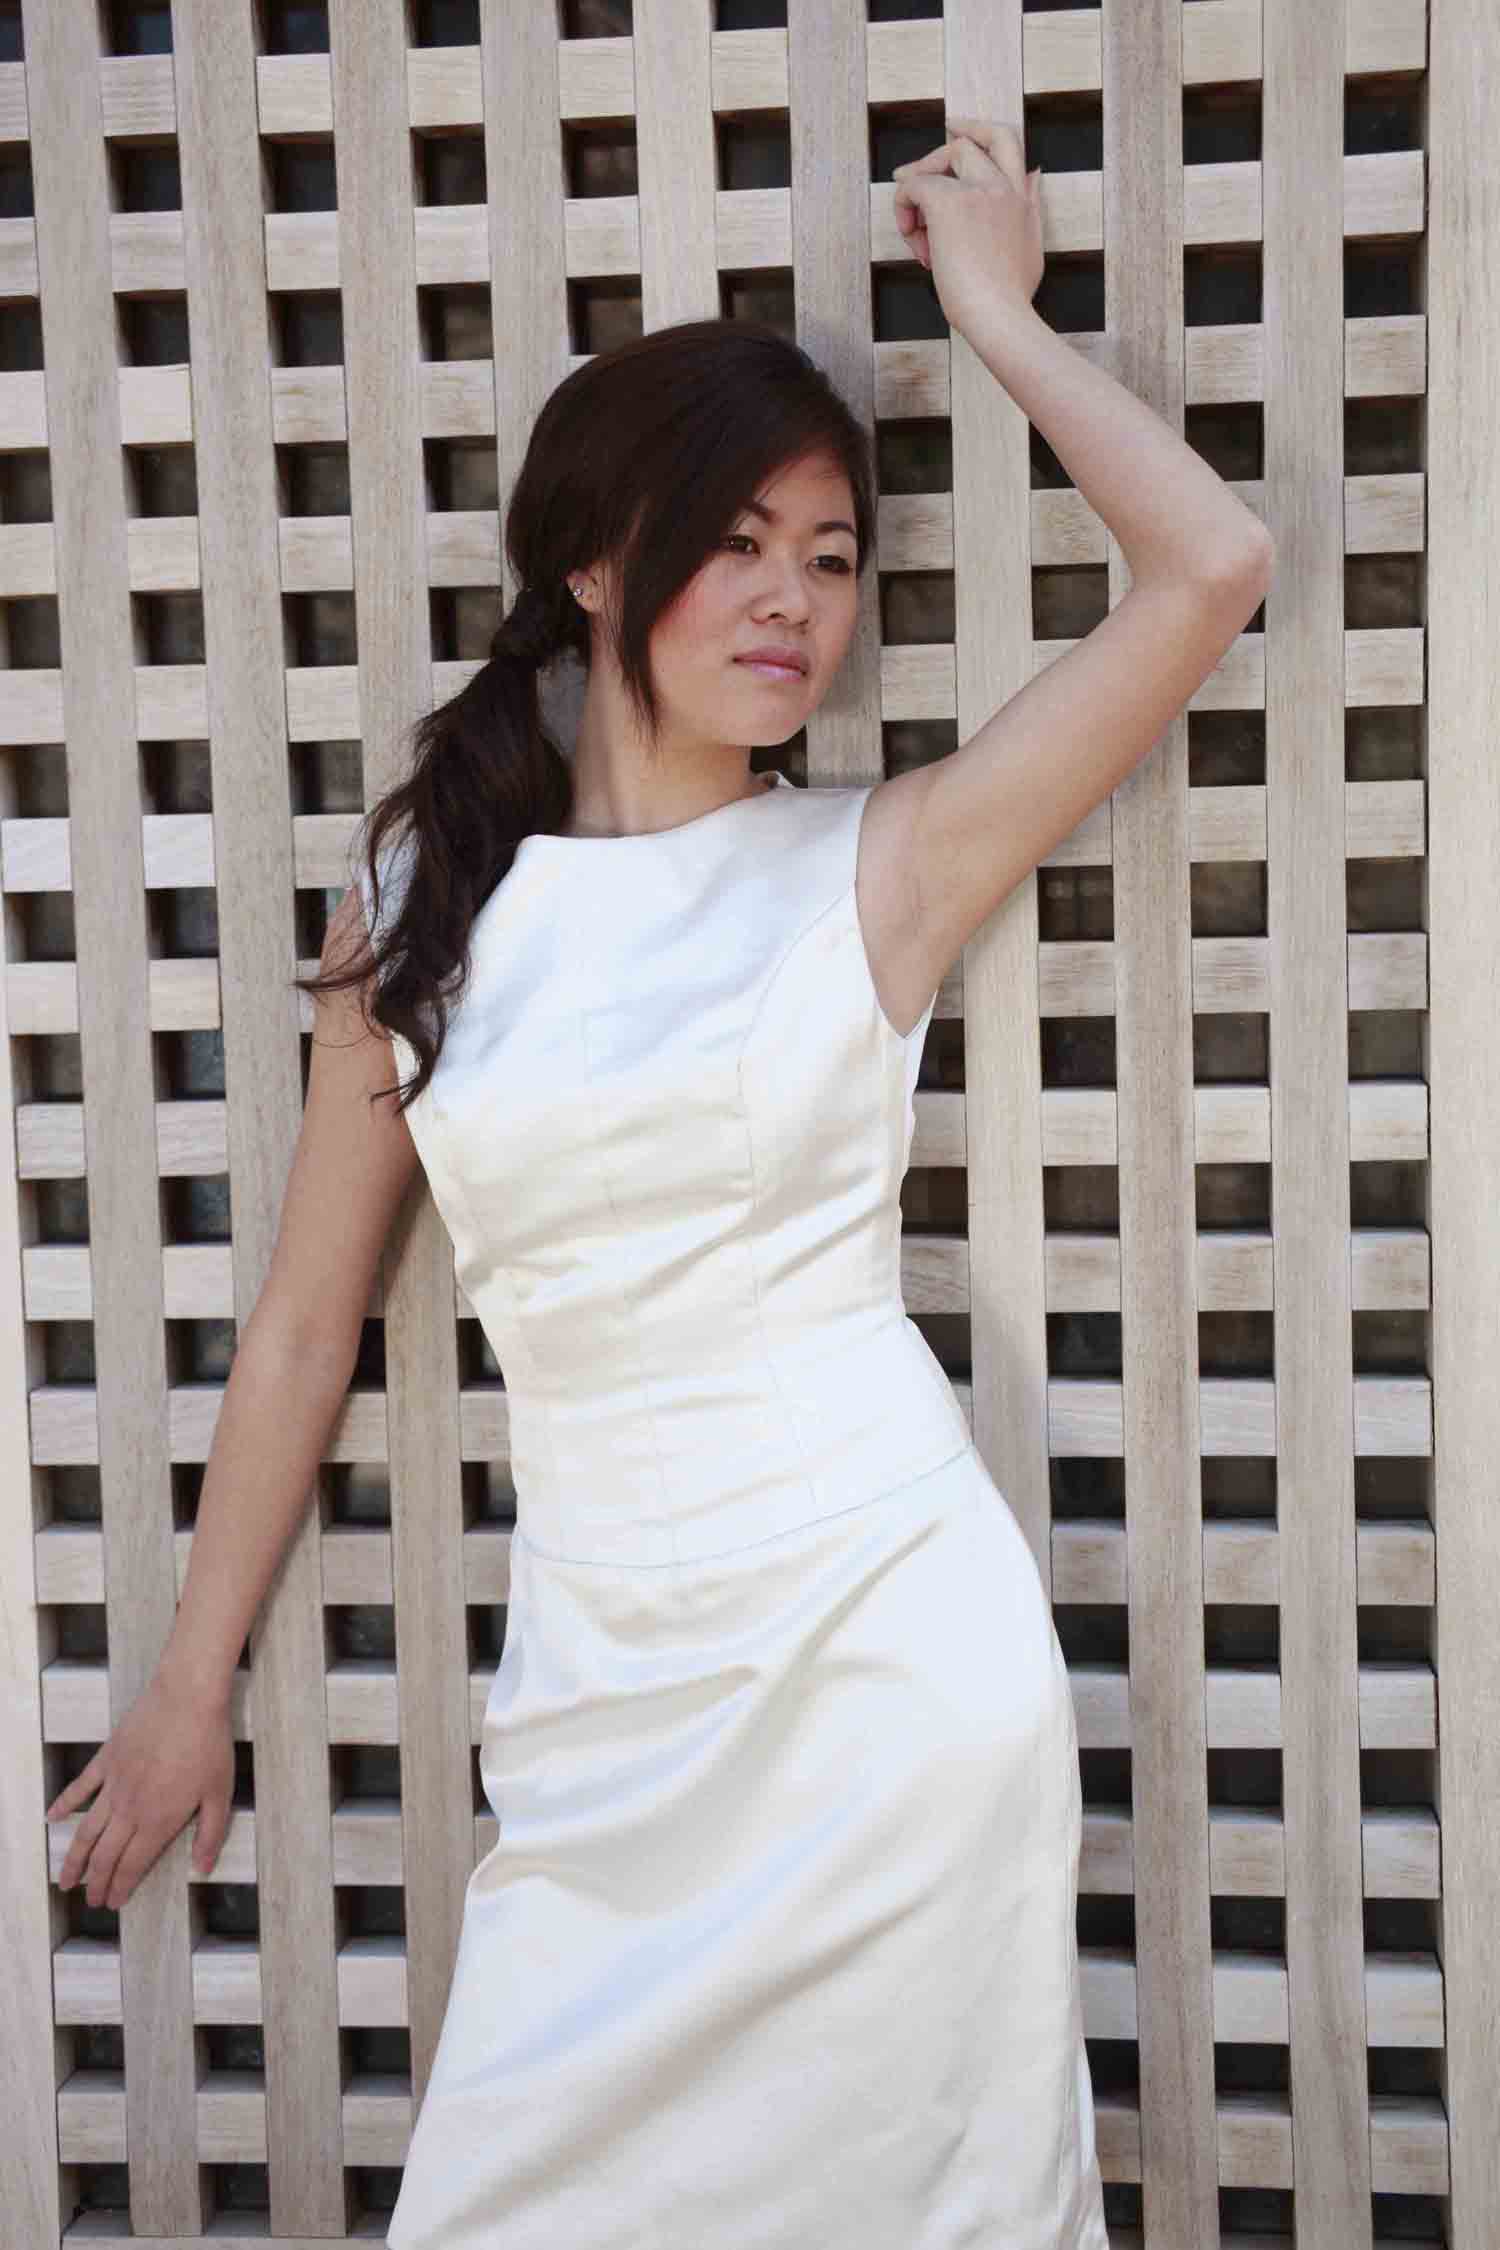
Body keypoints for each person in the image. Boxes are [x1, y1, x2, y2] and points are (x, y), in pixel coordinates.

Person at [46, 121, 1271, 2247]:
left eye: (832, 555)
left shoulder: (879, 864)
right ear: (600, 564)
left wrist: (992, 315)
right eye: (739, 542)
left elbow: (1213, 566)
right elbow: (311, 1321)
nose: (795, 600)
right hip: (606, 1692)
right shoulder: (426, 903)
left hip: (887, 1659)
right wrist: (185, 1684)